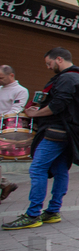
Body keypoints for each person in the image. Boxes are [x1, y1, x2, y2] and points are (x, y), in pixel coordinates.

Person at [3, 47, 79, 230]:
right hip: (67, 132)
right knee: (60, 171)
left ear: (59, 59)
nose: (48, 68)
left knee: (37, 169)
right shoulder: (78, 77)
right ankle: (52, 212)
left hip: (56, 132)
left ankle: (33, 214)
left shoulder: (67, 78)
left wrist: (36, 113)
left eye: (49, 63)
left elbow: (57, 105)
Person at [0, 65, 29, 201]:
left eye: (2, 78)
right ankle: (5, 184)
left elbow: (16, 109)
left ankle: (5, 184)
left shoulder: (20, 91)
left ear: (11, 75)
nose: (0, 80)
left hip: (5, 129)